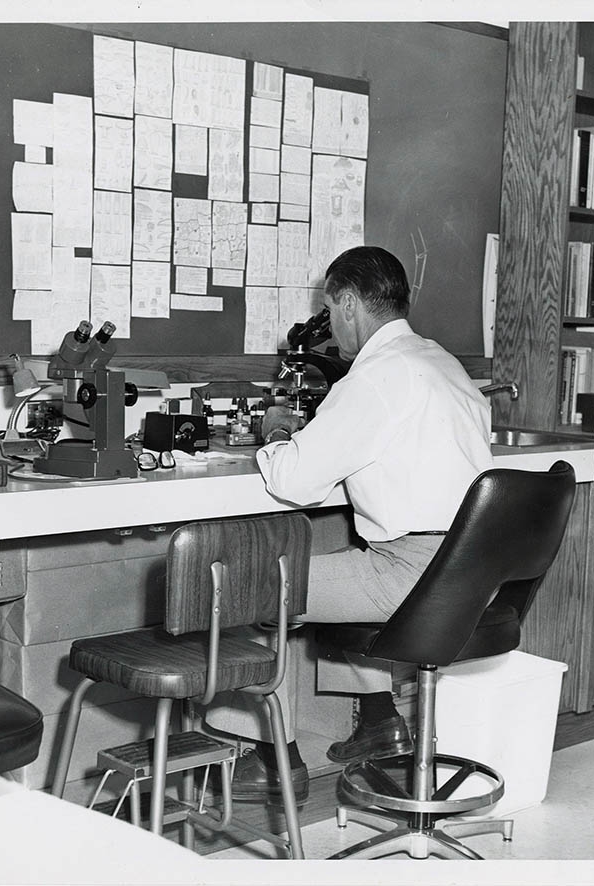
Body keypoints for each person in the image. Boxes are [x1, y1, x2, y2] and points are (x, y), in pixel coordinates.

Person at [203, 245, 494, 804]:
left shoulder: (378, 374)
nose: (332, 327)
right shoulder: (440, 361)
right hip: (471, 571)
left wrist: (276, 433)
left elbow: (295, 481)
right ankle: (380, 721)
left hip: (413, 576)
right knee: (342, 552)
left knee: (252, 583)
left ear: (352, 303)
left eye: (332, 310)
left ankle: (269, 758)